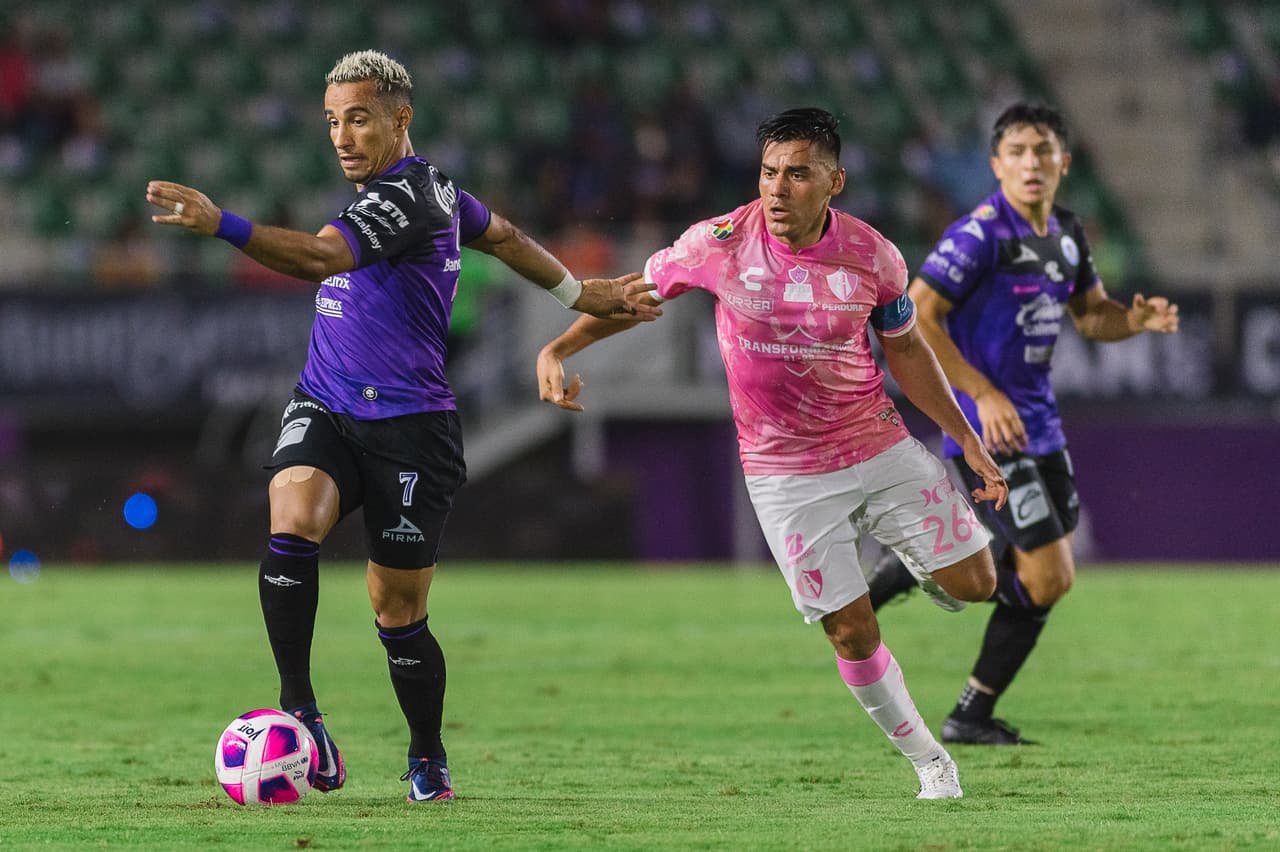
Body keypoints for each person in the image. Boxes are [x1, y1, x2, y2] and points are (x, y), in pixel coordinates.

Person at [145, 49, 659, 802]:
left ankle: (426, 754)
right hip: (325, 401)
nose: (343, 137)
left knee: (398, 612)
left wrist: (223, 222)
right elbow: (507, 235)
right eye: (331, 122)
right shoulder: (441, 193)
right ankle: (301, 713)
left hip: (411, 430)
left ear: (400, 117)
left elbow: (323, 257)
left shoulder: (414, 196)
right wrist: (578, 291)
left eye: (358, 119)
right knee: (290, 524)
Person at [536, 108, 1010, 799]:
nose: (778, 189)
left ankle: (905, 553)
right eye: (768, 172)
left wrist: (964, 437)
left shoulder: (874, 256)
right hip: (786, 476)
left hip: (877, 445)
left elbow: (905, 348)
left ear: (834, 181)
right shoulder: (719, 243)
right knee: (851, 632)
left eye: (797, 173)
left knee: (979, 586)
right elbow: (634, 296)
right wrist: (559, 349)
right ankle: (930, 761)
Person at [866, 102, 1180, 745]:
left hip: (1042, 426)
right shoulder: (980, 234)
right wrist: (981, 392)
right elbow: (917, 316)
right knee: (1048, 575)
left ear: (1064, 162)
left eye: (1042, 151)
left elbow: (1092, 316)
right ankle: (968, 710)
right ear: (995, 165)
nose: (1031, 163)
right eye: (1017, 151)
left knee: (1035, 574)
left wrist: (1135, 320)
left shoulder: (1067, 233)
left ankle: (921, 572)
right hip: (989, 430)